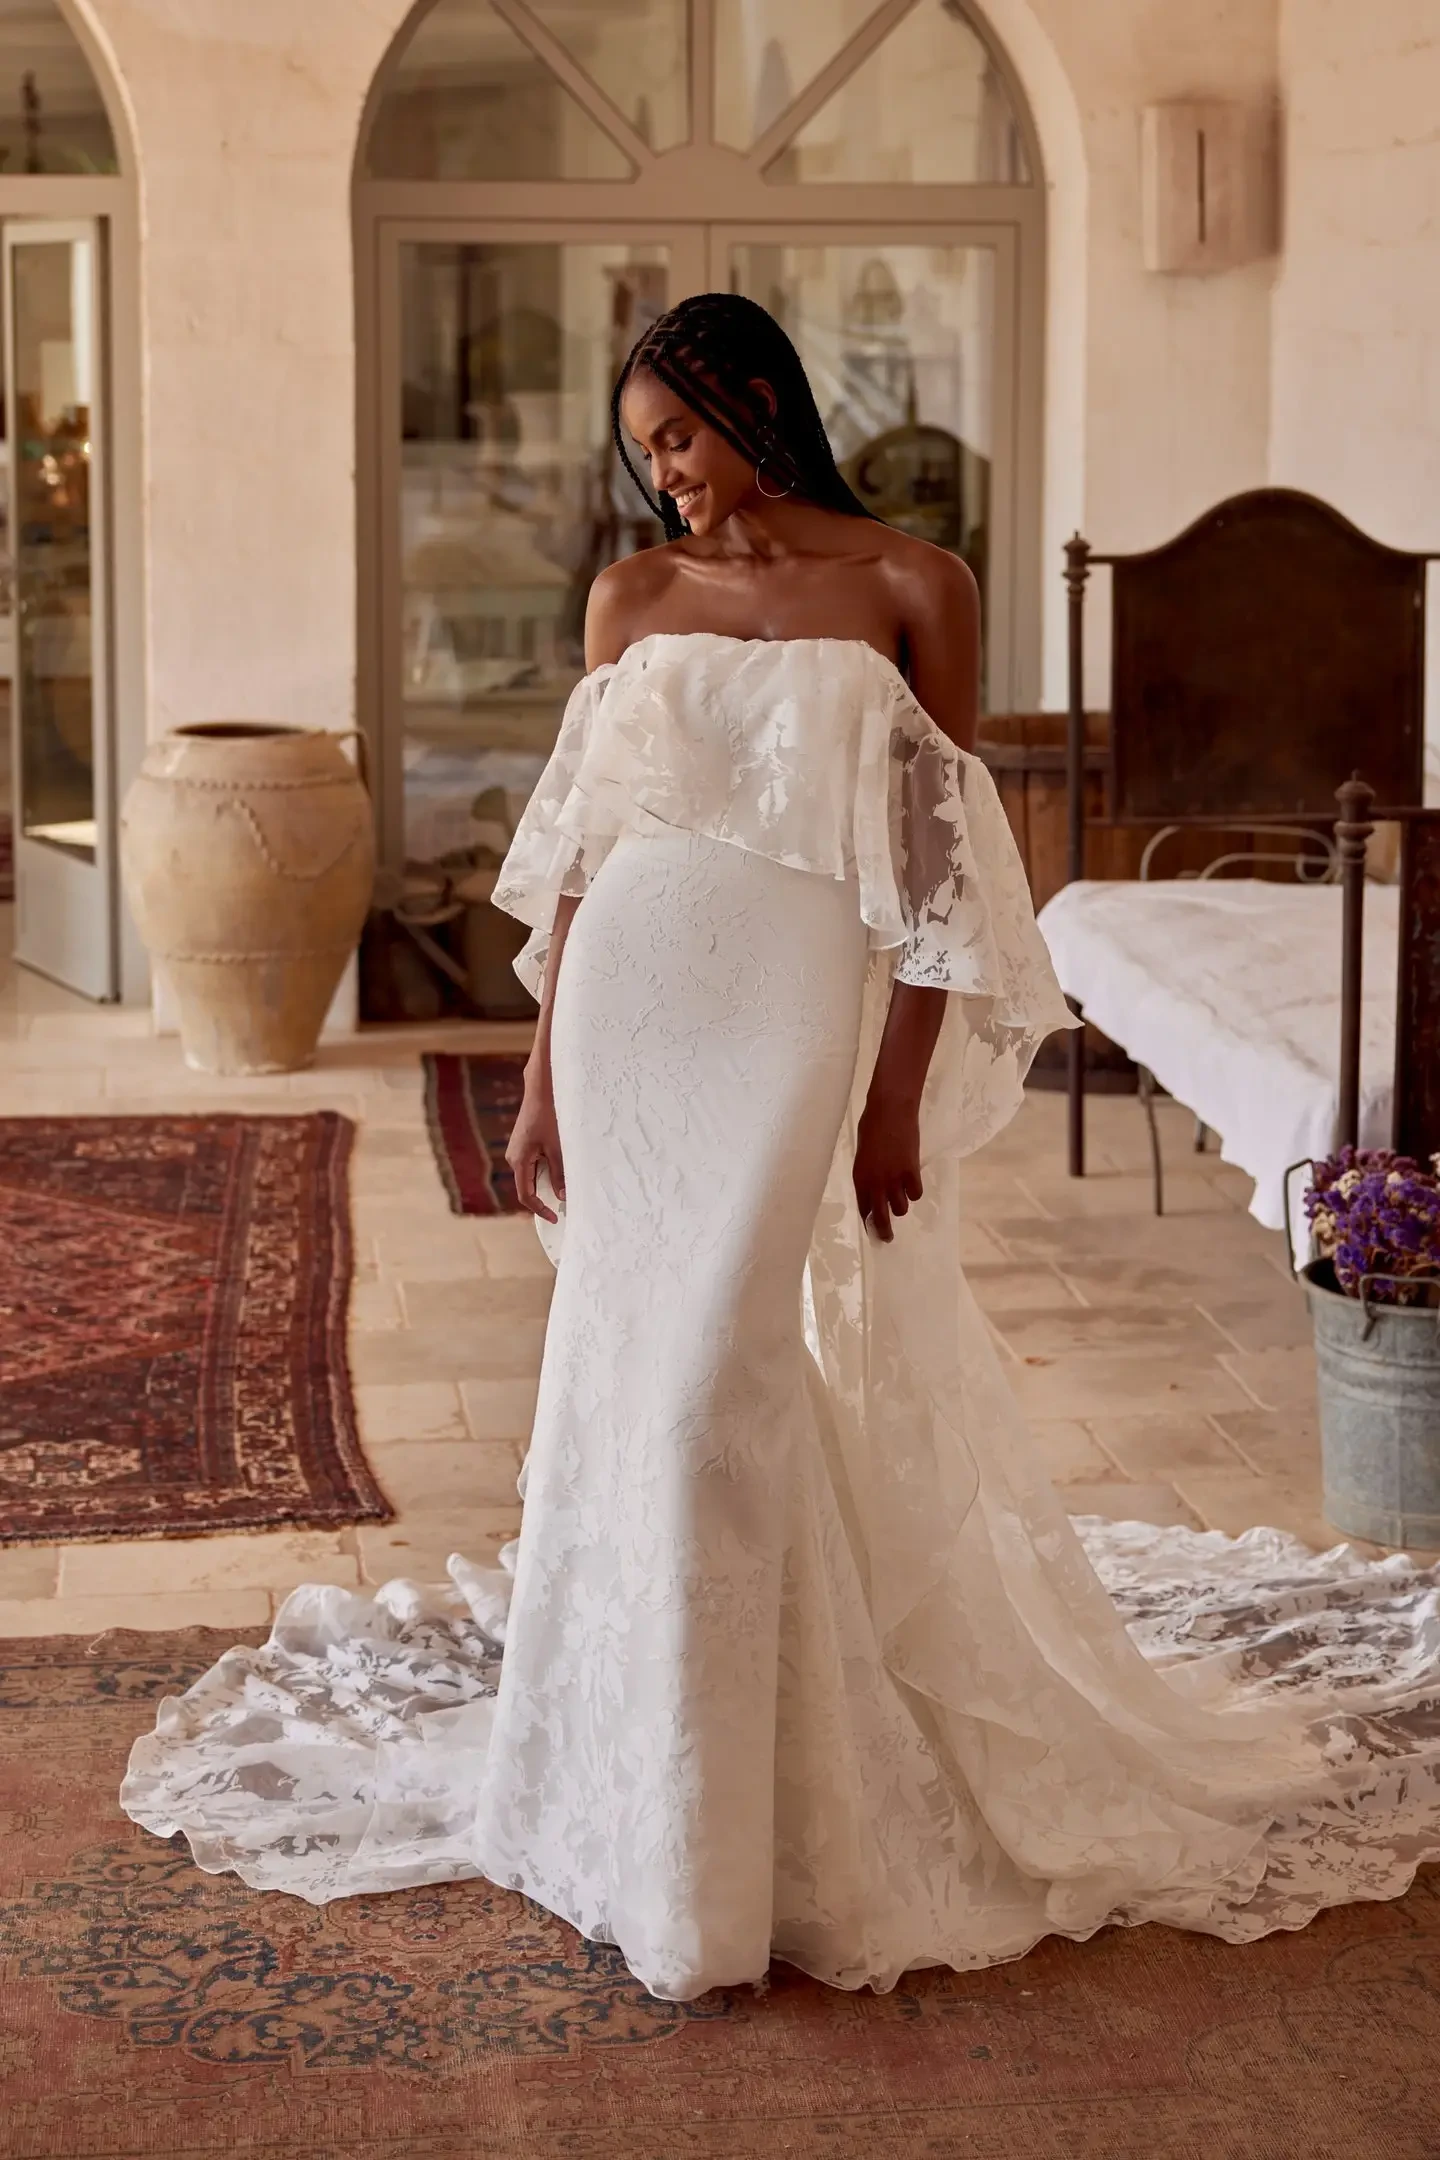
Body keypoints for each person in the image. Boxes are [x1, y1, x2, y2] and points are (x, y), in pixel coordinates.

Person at [122, 295, 1440, 2004]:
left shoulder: (914, 586)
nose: (658, 473)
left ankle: (764, 1802)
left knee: (714, 1372)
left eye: (676, 434)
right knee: (636, 1375)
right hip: (636, 999)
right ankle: (666, 1804)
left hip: (802, 991)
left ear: (755, 406)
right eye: (641, 447)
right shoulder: (632, 599)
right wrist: (538, 1072)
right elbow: (589, 843)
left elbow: (942, 854)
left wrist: (894, 1088)